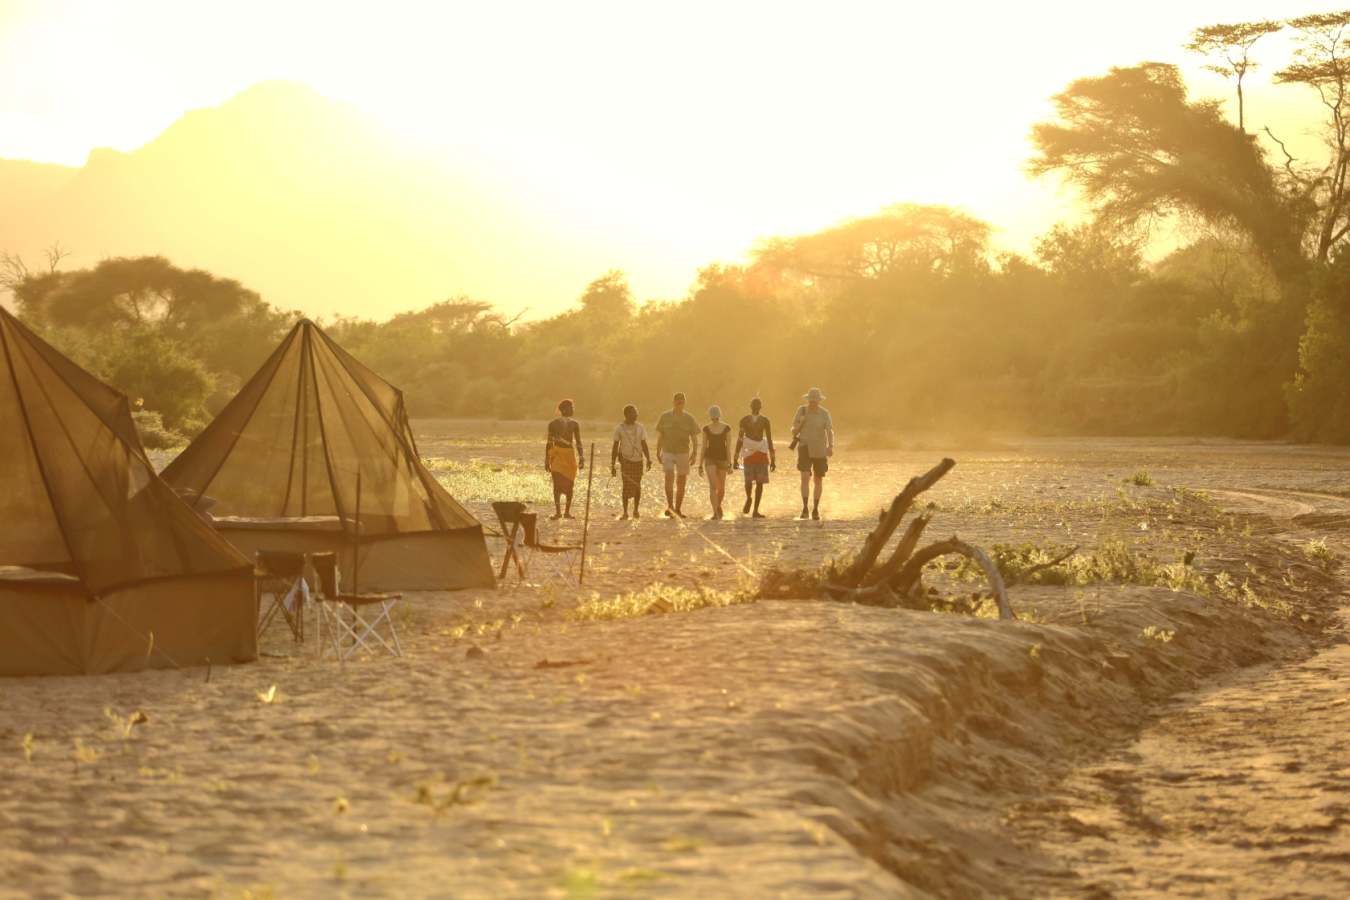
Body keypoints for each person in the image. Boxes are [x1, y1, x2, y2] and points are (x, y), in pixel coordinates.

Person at [654, 391, 700, 518]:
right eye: (677, 402)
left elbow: (695, 437)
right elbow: (661, 436)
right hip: (667, 451)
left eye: (682, 402)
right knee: (669, 478)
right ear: (673, 402)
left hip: (683, 452)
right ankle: (670, 507)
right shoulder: (665, 417)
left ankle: (678, 509)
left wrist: (695, 453)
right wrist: (657, 451)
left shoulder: (689, 418)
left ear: (684, 403)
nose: (679, 404)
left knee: (681, 481)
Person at [791, 387, 834, 520]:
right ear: (808, 400)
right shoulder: (801, 410)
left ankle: (815, 509)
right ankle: (805, 508)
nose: (813, 403)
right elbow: (793, 430)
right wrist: (801, 424)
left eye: (815, 401)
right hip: (804, 447)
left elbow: (829, 431)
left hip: (820, 449)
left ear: (819, 401)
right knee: (804, 477)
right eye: (811, 400)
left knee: (818, 479)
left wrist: (830, 446)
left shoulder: (825, 413)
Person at [734, 398, 776, 518]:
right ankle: (748, 498)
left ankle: (756, 510)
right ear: (750, 406)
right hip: (748, 453)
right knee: (748, 481)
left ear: (760, 407)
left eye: (758, 405)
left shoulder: (765, 421)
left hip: (762, 452)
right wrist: (735, 456)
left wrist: (773, 458)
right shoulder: (744, 421)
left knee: (760, 483)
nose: (756, 407)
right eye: (754, 405)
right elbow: (740, 438)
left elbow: (769, 439)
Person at [543, 399, 583, 519]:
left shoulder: (575, 424)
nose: (573, 410)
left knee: (570, 484)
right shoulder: (553, 424)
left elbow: (578, 442)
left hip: (569, 456)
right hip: (557, 455)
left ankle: (567, 512)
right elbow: (549, 443)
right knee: (557, 485)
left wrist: (581, 457)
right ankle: (558, 512)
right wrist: (547, 459)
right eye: (571, 407)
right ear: (564, 409)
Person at [610, 404, 652, 519]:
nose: (636, 414)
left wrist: (648, 458)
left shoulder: (640, 427)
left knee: (637, 485)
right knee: (626, 486)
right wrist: (613, 464)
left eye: (636, 412)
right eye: (633, 412)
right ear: (627, 415)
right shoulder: (619, 428)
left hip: (638, 460)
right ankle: (625, 512)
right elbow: (615, 446)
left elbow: (644, 444)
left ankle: (636, 510)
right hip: (625, 461)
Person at [699, 405, 733, 519]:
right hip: (710, 459)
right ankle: (715, 513)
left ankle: (717, 506)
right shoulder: (706, 429)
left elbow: (728, 448)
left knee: (721, 488)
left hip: (723, 459)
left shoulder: (727, 428)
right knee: (713, 486)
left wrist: (730, 463)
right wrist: (700, 463)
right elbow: (704, 447)